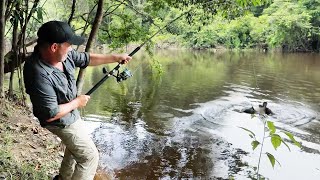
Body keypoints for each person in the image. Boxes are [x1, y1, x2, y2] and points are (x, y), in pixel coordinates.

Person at [23, 20, 132, 180]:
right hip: (58, 121)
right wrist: (76, 102)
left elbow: (86, 59)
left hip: (70, 114)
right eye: (69, 45)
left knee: (74, 151)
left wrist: (115, 57)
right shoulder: (37, 72)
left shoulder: (64, 55)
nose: (71, 49)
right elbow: (50, 114)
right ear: (54, 47)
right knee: (89, 157)